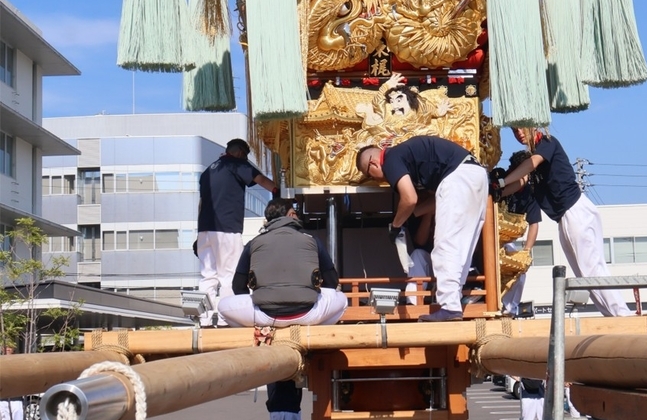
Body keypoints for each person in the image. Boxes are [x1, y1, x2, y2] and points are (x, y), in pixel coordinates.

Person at [491, 129, 630, 318]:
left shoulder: (547, 142)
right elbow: (522, 180)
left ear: (534, 125)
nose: (519, 133)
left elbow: (530, 165)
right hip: (566, 216)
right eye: (515, 130)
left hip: (575, 210)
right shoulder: (532, 157)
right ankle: (613, 315)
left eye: (523, 127)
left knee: (591, 268)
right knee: (585, 272)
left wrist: (502, 181)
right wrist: (496, 192)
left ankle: (622, 315)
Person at [357, 135, 488, 321]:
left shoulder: (390, 159)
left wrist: (395, 225)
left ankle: (449, 307)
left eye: (370, 175)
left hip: (457, 178)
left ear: (373, 164)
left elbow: (409, 198)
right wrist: (415, 213)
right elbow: (422, 204)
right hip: (476, 175)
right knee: (462, 248)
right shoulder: (407, 153)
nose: (378, 180)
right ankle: (454, 302)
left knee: (445, 247)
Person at [217, 200, 347, 328]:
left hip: (265, 316)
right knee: (342, 299)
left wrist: (258, 300)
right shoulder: (312, 240)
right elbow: (332, 281)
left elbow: (238, 286)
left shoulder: (253, 243)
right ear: (290, 215)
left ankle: (256, 335)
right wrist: (314, 293)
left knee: (222, 306)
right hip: (308, 314)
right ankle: (313, 333)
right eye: (295, 213)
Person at [197, 138, 275, 319]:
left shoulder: (208, 171)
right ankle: (227, 318)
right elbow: (262, 180)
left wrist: (200, 231)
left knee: (207, 276)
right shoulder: (237, 164)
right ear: (240, 152)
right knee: (229, 275)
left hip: (204, 229)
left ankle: (204, 318)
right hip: (226, 228)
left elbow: (201, 204)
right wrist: (278, 191)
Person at [500, 150, 542, 316]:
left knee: (520, 271)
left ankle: (510, 309)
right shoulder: (500, 180)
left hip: (507, 240)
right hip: (487, 238)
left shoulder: (529, 194)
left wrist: (526, 251)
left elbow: (534, 224)